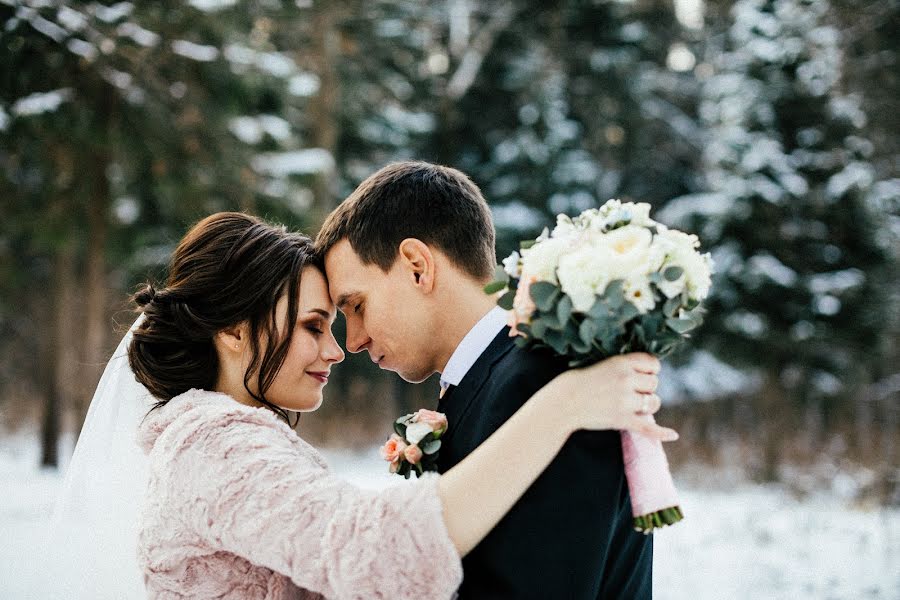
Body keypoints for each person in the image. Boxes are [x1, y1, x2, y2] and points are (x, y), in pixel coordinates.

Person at [122, 212, 675, 599]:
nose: (340, 349)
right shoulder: (213, 444)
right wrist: (563, 405)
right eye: (316, 324)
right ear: (234, 330)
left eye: (348, 312)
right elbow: (373, 551)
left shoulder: (218, 439)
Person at [316, 161, 658, 599]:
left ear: (417, 266)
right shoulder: (490, 380)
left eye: (356, 306)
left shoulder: (542, 382)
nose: (355, 341)